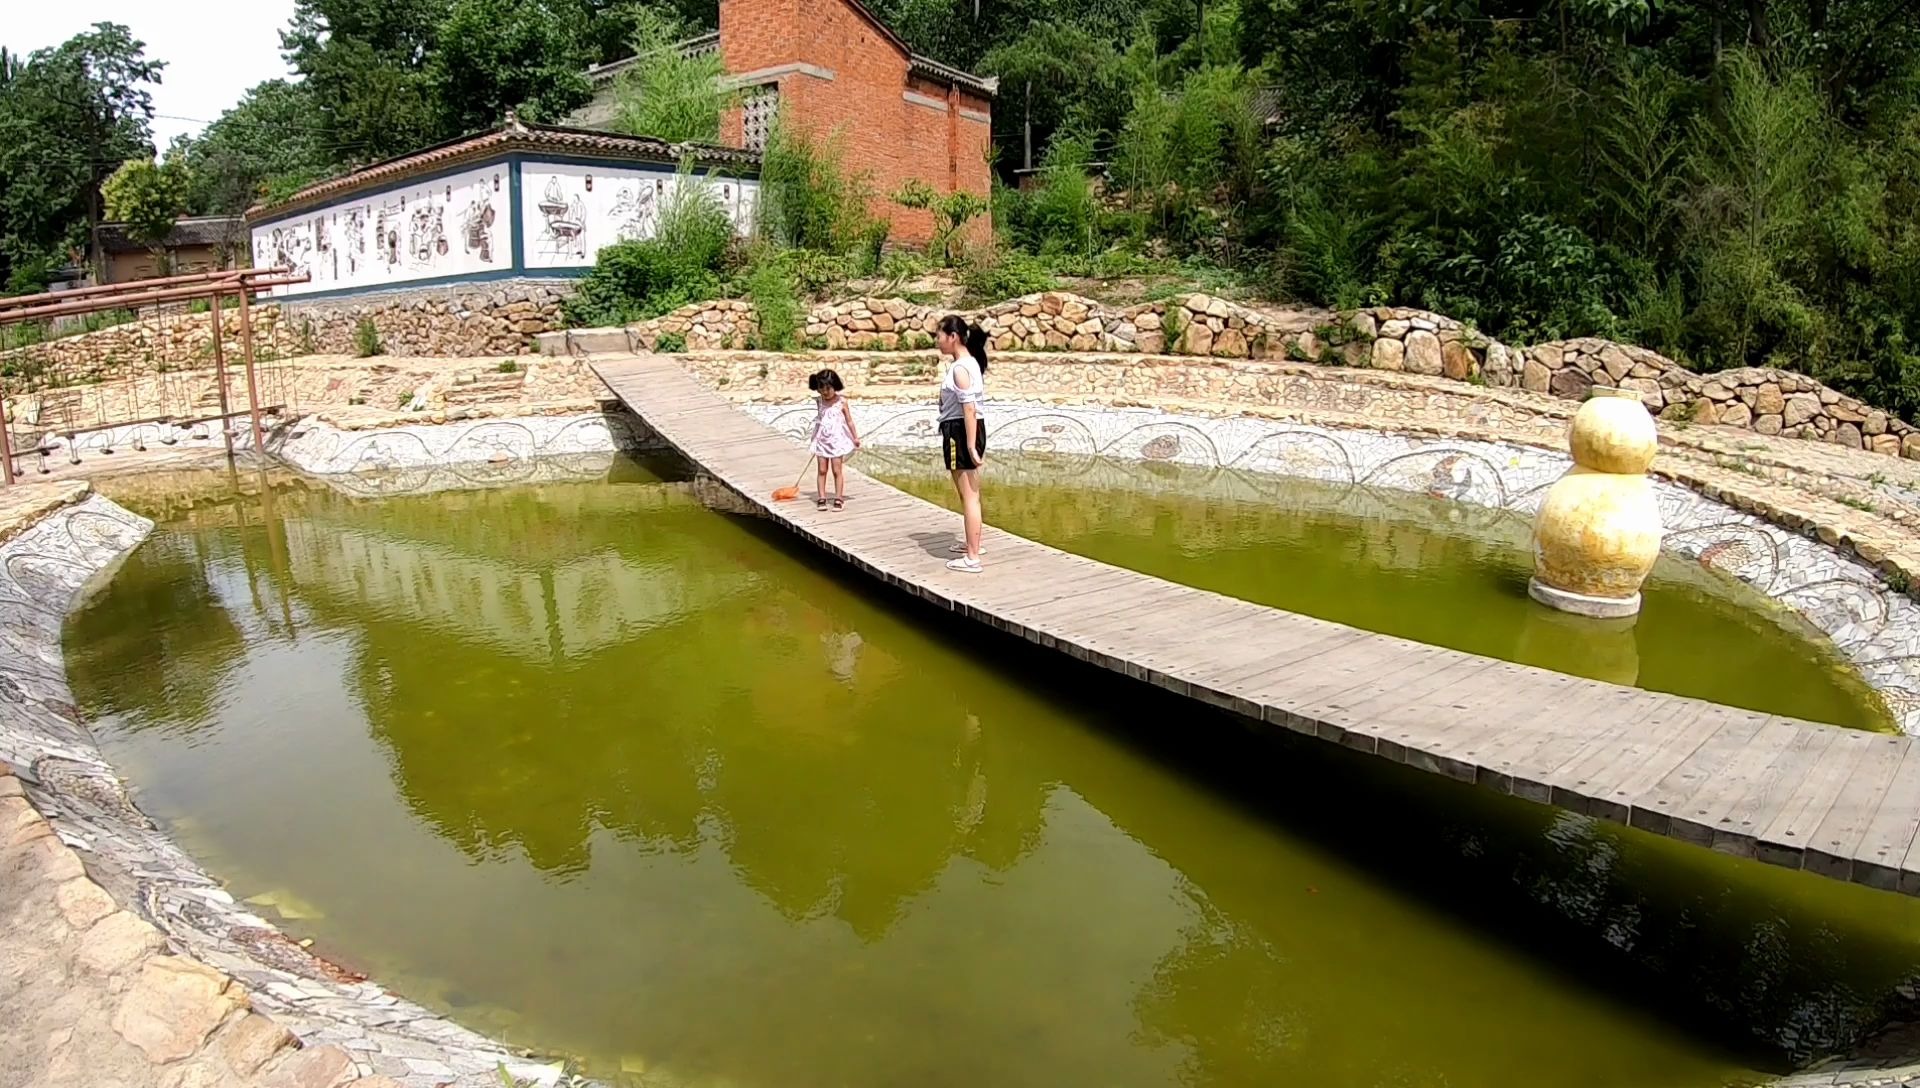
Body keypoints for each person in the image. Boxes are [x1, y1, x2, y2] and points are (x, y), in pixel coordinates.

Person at [935, 315, 988, 573]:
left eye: (939, 336)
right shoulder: (970, 363)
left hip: (960, 431)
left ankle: (972, 557)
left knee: (969, 496)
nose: (937, 341)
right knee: (969, 494)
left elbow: (968, 409)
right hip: (967, 428)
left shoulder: (960, 368)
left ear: (952, 336)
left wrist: (969, 446)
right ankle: (972, 542)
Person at [807, 368, 859, 510]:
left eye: (828, 388)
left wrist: (855, 437)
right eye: (821, 388)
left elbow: (849, 421)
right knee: (822, 470)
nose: (825, 392)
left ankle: (838, 497)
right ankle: (822, 497)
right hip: (822, 440)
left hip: (836, 441)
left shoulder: (841, 402)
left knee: (837, 470)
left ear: (834, 386)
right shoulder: (820, 402)